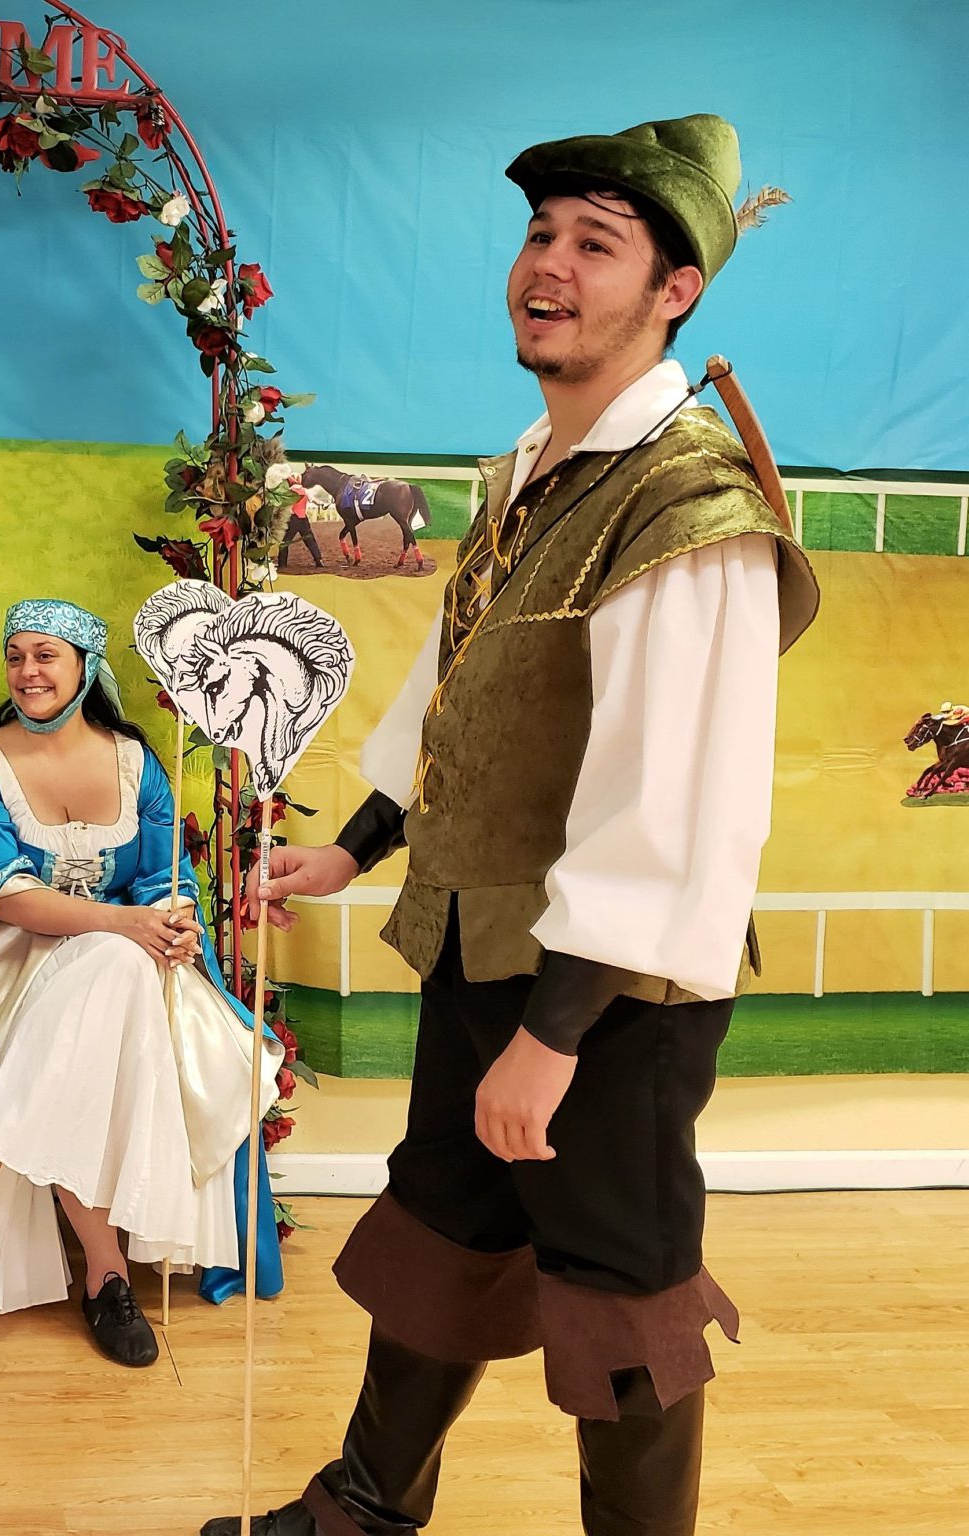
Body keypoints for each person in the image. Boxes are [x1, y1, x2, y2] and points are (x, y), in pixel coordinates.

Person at [205, 115, 818, 1536]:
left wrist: (554, 1035)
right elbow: (458, 687)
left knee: (620, 1297)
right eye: (539, 235)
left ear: (675, 290)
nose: (548, 265)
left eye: (594, 243)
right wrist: (355, 844)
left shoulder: (686, 504)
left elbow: (670, 798)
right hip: (482, 944)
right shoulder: (533, 470)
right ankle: (364, 1509)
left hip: (609, 999)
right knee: (444, 1231)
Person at [0, 599, 284, 1368]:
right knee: (115, 969)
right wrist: (128, 926)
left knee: (118, 973)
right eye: (15, 656)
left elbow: (166, 878)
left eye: (45, 655)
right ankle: (107, 1275)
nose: (27, 672)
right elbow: (9, 897)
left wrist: (177, 922)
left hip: (128, 956)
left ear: (86, 668)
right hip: (9, 955)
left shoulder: (136, 762)